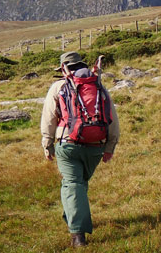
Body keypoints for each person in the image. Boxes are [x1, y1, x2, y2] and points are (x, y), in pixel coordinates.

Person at [41, 52, 120, 247]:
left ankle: (78, 235)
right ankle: (74, 217)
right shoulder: (98, 86)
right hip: (96, 146)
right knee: (77, 185)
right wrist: (110, 147)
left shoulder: (58, 87)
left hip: (67, 144)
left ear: (63, 68)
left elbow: (49, 118)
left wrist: (47, 143)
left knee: (73, 184)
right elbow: (112, 118)